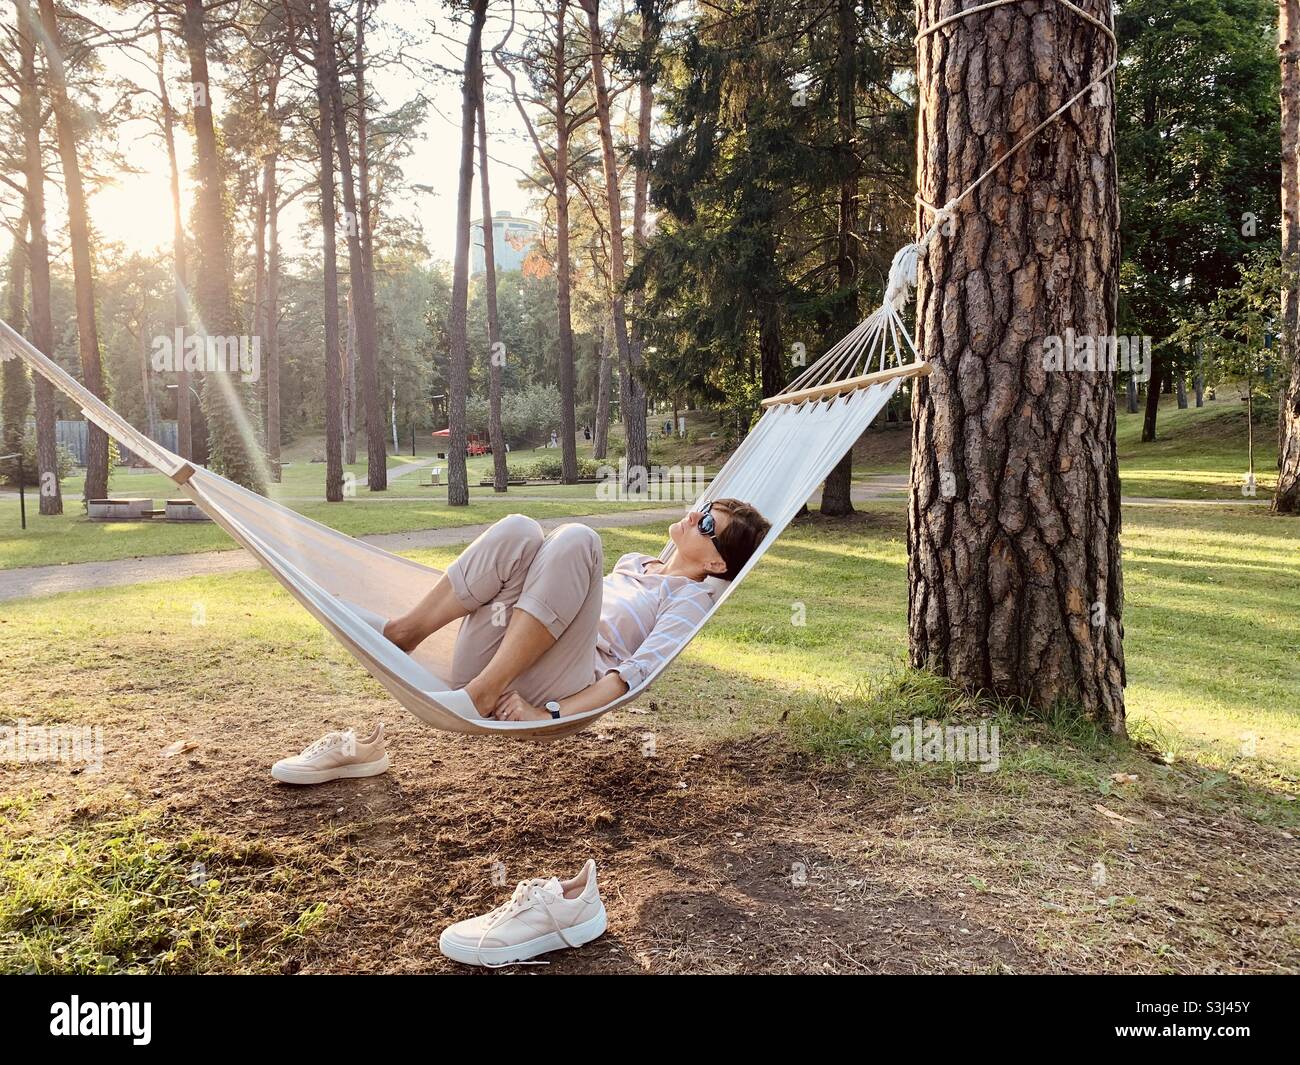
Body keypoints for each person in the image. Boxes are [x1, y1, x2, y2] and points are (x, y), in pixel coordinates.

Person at [380, 498, 772, 722]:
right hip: (490, 664)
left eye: (706, 524)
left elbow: (631, 678)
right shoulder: (635, 562)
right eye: (701, 508)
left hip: (552, 682)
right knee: (520, 529)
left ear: (717, 565)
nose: (692, 516)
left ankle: (483, 692)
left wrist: (548, 715)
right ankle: (406, 632)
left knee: (579, 539)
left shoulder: (688, 601)